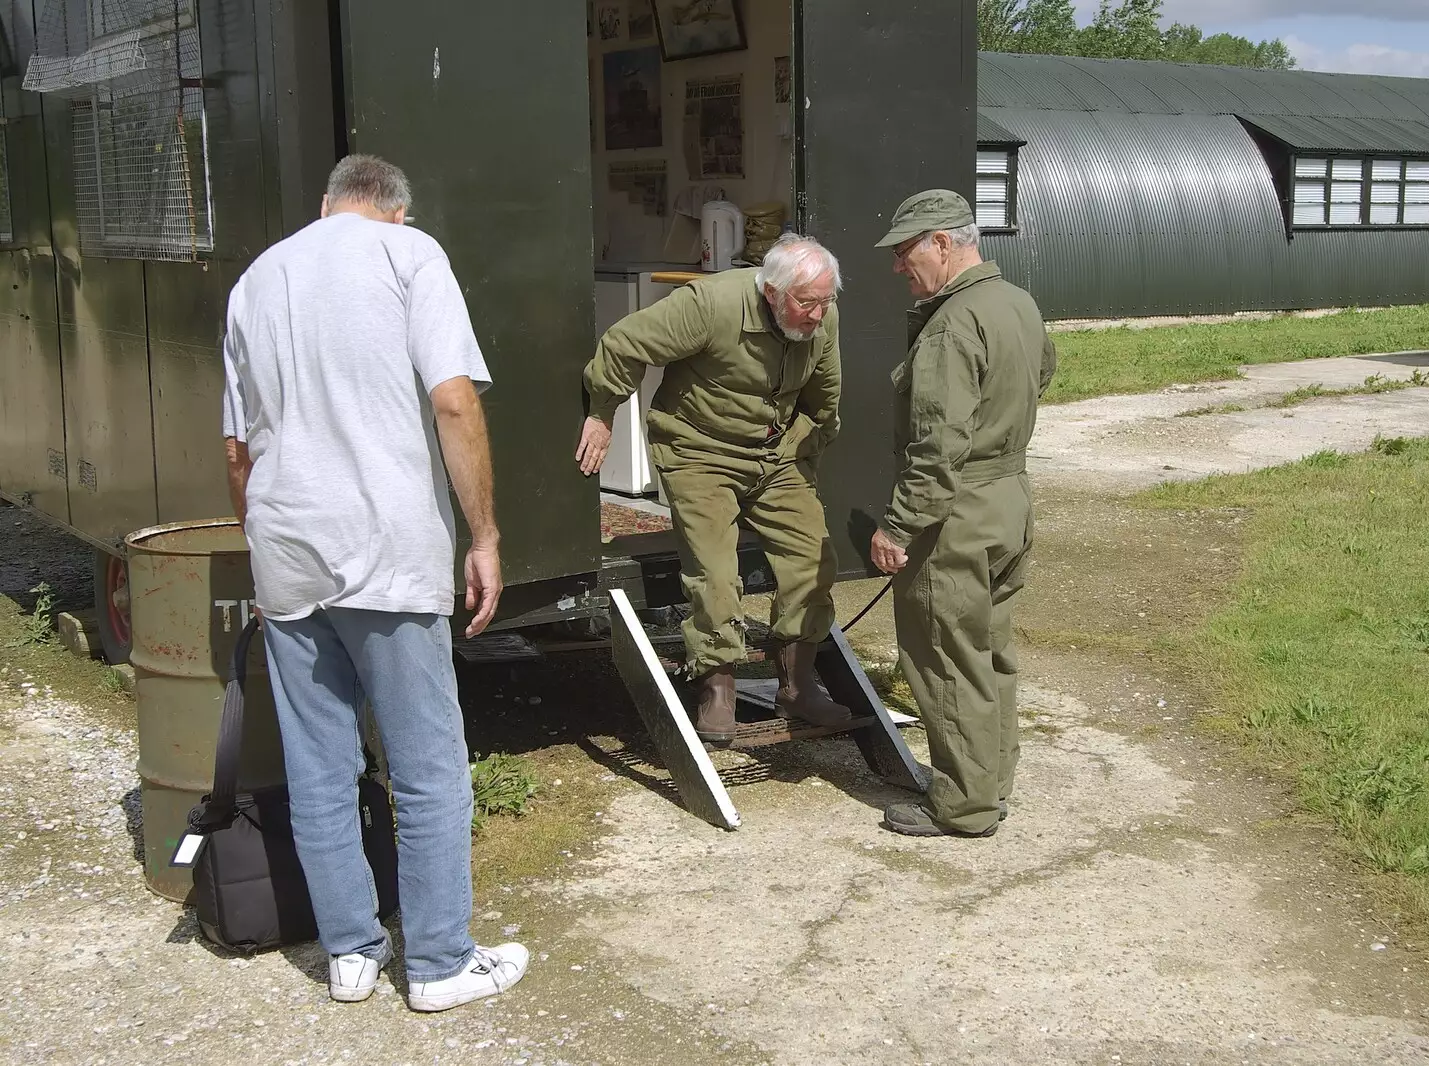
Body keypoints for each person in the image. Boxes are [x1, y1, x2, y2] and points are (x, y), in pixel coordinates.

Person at [221, 154, 527, 1010]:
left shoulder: (256, 279)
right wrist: (485, 535)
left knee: (320, 764)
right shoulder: (409, 255)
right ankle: (436, 962)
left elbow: (237, 451)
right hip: (385, 543)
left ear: (326, 207)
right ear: (397, 211)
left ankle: (350, 952)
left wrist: (265, 547)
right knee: (428, 765)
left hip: (285, 544)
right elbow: (455, 400)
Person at [576, 234, 852, 745]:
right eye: (806, 302)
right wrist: (602, 411)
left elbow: (824, 398)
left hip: (774, 454)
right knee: (716, 570)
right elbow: (625, 343)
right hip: (699, 450)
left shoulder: (822, 320)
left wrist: (803, 451)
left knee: (814, 557)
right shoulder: (711, 304)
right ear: (772, 291)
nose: (817, 314)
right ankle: (717, 684)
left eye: (826, 300)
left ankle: (795, 684)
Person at [867, 190, 1057, 838]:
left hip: (957, 513)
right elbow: (1044, 373)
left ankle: (963, 805)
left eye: (905, 252)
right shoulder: (1018, 304)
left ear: (943, 244)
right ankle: (990, 786)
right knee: (990, 649)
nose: (899, 268)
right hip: (1010, 502)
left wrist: (897, 526)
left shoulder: (951, 322)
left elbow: (938, 444)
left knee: (946, 656)